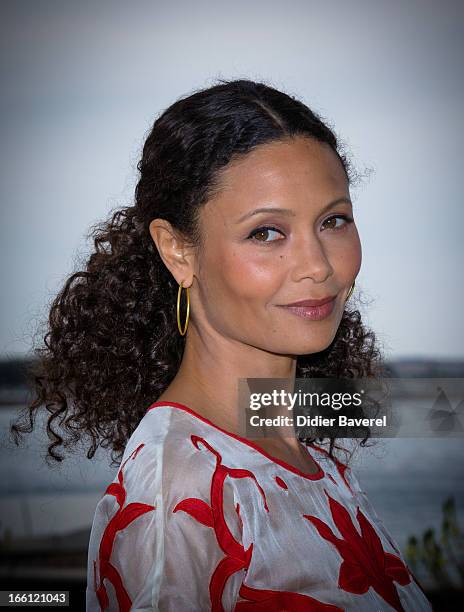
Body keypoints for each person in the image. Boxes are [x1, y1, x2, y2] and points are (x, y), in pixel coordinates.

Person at [11, 79, 433, 611]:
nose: (319, 265)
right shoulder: (178, 493)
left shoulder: (310, 461)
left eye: (333, 221)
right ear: (177, 251)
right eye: (267, 233)